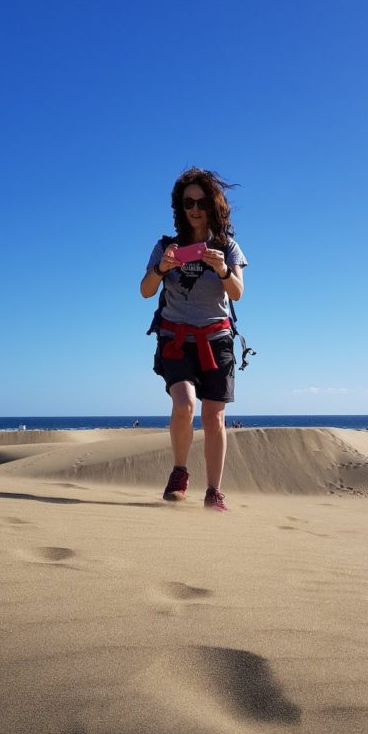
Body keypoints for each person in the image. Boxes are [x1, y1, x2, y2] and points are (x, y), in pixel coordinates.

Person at [140, 168, 247, 512]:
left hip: (217, 340)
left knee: (214, 416)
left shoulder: (227, 247)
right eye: (188, 202)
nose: (195, 209)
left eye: (201, 202)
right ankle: (180, 471)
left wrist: (222, 269)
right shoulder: (165, 246)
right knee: (184, 404)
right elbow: (144, 290)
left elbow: (238, 293)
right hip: (176, 337)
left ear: (213, 205)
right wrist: (162, 269)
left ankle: (214, 491)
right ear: (180, 207)